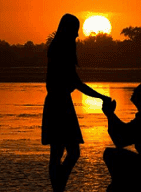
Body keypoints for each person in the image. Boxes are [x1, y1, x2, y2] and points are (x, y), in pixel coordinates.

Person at [41, 14, 111, 192]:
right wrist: (102, 97)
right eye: (75, 30)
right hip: (59, 104)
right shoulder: (60, 49)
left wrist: (100, 97)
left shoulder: (60, 48)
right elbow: (76, 83)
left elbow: (73, 82)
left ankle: (59, 187)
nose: (77, 35)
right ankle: (59, 188)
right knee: (62, 152)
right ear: (67, 30)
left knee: (65, 153)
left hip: (62, 102)